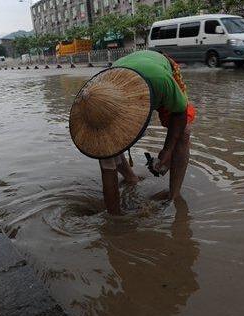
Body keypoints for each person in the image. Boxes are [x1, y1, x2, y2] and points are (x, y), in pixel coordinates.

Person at [69, 50, 196, 215]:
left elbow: (180, 112)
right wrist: (115, 216)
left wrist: (167, 149)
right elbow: (107, 172)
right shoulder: (97, 105)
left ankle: (174, 194)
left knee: (183, 133)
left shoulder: (160, 80)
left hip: (154, 73)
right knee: (109, 147)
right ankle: (131, 178)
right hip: (123, 78)